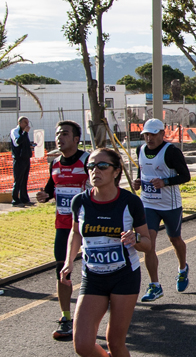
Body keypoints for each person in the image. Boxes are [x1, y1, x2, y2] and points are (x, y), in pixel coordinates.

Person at [61, 147, 152, 357]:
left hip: (124, 276)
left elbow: (147, 244)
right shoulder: (80, 202)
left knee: (115, 343)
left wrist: (135, 239)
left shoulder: (130, 202)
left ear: (116, 171)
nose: (95, 171)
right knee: (83, 345)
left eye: (102, 166)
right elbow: (75, 233)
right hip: (93, 277)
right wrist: (69, 261)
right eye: (91, 166)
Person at [36, 121, 89, 340]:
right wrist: (44, 195)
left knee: (94, 272)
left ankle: (95, 315)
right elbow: (51, 188)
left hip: (89, 227)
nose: (60, 137)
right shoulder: (55, 163)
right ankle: (66, 317)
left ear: (76, 139)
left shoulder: (88, 161)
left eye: (65, 134)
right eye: (58, 133)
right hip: (63, 227)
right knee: (62, 271)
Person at [132, 118, 192, 302]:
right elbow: (142, 172)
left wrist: (165, 182)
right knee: (148, 243)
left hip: (170, 205)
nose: (149, 138)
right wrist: (137, 181)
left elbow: (186, 176)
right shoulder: (140, 150)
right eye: (146, 135)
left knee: (175, 239)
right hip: (148, 205)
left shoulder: (171, 151)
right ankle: (155, 285)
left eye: (152, 134)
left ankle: (183, 269)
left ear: (161, 134)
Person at [10, 116, 34, 206]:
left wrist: (30, 145)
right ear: (19, 123)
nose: (27, 124)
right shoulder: (15, 131)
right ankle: (15, 199)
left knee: (24, 180)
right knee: (18, 179)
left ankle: (24, 199)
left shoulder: (25, 133)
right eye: (25, 122)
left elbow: (23, 144)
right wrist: (25, 133)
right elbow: (17, 142)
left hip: (26, 158)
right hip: (19, 159)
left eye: (28, 122)